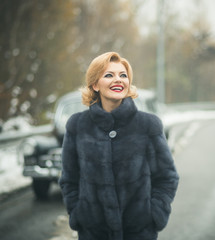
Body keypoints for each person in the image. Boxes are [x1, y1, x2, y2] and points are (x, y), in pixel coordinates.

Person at [59, 52, 179, 240]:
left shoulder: (148, 124)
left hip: (139, 233)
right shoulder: (77, 125)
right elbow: (69, 179)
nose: (118, 80)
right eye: (109, 75)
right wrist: (77, 214)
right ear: (94, 84)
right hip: (93, 234)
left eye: (123, 75)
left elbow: (167, 177)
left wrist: (155, 215)